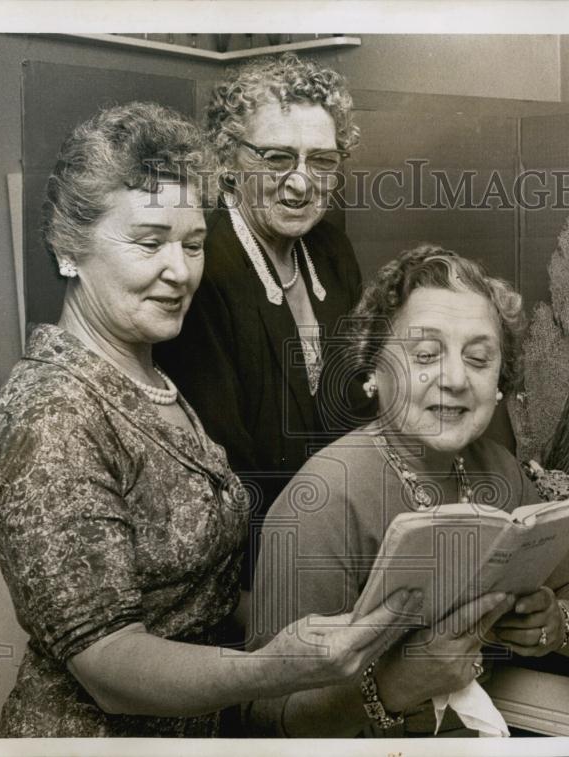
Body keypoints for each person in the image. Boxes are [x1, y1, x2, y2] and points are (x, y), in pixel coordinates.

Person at [0, 102, 424, 738]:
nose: (180, 271)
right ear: (69, 247)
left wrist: (333, 622)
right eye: (149, 241)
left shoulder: (151, 378)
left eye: (193, 243)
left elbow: (194, 597)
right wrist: (274, 666)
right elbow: (108, 663)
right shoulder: (53, 414)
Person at [247, 245, 569, 737]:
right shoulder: (322, 500)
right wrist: (397, 683)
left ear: (498, 383)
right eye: (425, 355)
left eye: (478, 358)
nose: (453, 379)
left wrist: (559, 623)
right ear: (371, 368)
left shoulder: (495, 469)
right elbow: (262, 723)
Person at [155, 53, 371, 588]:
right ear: (228, 159)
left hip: (346, 533)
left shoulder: (332, 249)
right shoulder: (203, 266)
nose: (301, 184)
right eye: (277, 158)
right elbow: (228, 470)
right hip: (256, 566)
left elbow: (358, 404)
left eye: (321, 161)